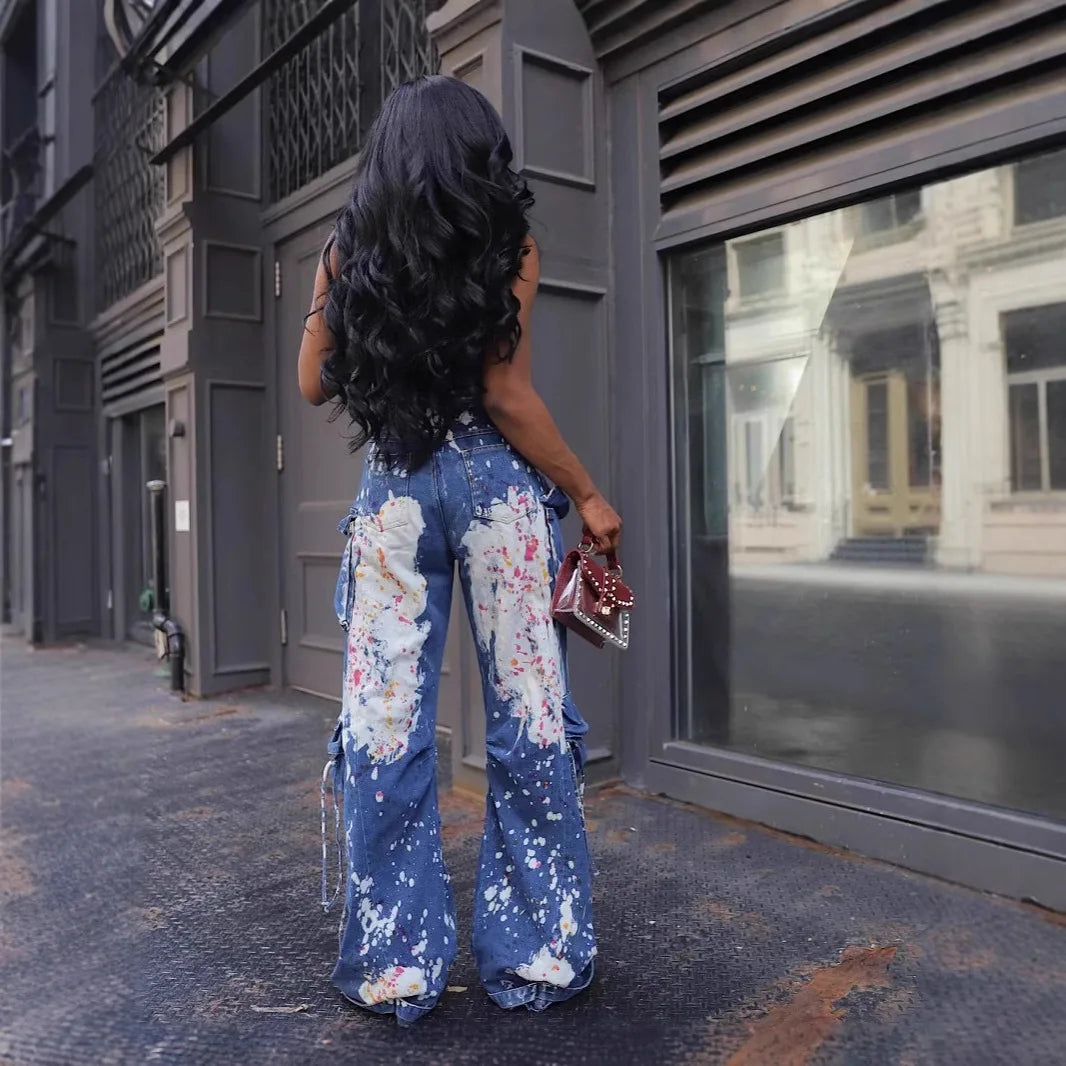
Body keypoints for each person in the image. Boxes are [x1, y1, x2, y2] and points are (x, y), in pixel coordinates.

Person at [296, 74, 622, 1026]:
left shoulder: (349, 247)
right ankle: (541, 952)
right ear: (483, 157)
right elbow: (506, 395)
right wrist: (588, 492)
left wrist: (331, 279)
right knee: (526, 718)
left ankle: (398, 965)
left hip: (395, 490)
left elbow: (314, 385)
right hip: (493, 492)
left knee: (386, 728)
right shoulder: (509, 243)